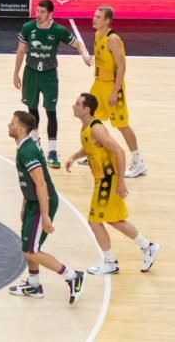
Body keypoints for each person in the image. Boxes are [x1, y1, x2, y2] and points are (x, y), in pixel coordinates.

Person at [65, 93, 160, 275]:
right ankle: (148, 246)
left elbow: (119, 150)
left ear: (86, 110)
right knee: (114, 219)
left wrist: (121, 182)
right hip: (103, 178)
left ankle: (110, 262)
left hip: (108, 179)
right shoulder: (86, 127)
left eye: (77, 104)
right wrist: (74, 157)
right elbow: (89, 147)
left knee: (94, 220)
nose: (73, 106)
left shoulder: (96, 128)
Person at [6, 110, 85, 304]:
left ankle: (73, 276)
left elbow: (41, 183)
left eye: (13, 123)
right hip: (34, 202)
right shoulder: (25, 147)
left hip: (43, 202)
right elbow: (30, 183)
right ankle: (34, 285)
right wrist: (25, 203)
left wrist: (45, 214)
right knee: (30, 246)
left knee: (30, 251)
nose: (9, 126)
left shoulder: (28, 151)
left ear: (22, 129)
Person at [14, 0, 92, 169]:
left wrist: (85, 56)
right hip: (31, 74)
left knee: (51, 112)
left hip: (49, 76)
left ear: (50, 14)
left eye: (42, 12)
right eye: (37, 11)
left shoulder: (58, 30)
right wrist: (16, 74)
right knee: (32, 110)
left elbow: (77, 43)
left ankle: (52, 151)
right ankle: (36, 143)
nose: (38, 15)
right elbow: (20, 51)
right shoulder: (28, 28)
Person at [90, 6, 146, 177]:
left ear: (107, 21)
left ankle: (138, 162)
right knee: (93, 118)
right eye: (94, 15)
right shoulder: (97, 34)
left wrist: (114, 92)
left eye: (98, 17)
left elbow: (122, 67)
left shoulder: (113, 39)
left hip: (113, 86)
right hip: (99, 83)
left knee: (121, 125)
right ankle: (96, 152)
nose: (94, 18)